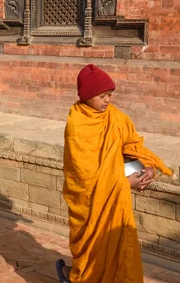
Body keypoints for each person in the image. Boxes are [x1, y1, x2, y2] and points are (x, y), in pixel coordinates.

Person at [56, 64, 173, 283]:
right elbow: (83, 176)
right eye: (102, 96)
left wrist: (148, 167)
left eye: (109, 95)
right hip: (90, 203)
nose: (107, 100)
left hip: (114, 200)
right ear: (87, 95)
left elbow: (132, 144)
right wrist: (123, 183)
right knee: (91, 249)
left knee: (118, 249)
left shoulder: (116, 117)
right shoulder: (77, 123)